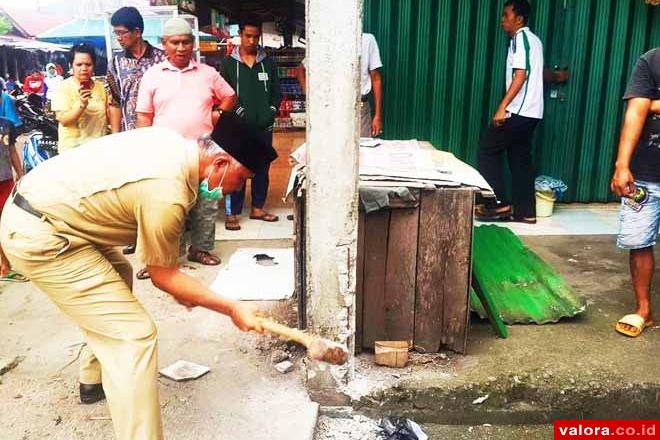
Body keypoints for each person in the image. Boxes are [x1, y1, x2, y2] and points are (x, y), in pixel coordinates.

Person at [0, 119, 275, 440]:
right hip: (43, 234)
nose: (235, 188)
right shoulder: (168, 192)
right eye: (241, 178)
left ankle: (93, 377)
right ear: (220, 163)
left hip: (47, 211)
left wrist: (190, 292)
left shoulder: (170, 141)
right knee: (133, 335)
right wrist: (232, 308)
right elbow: (164, 276)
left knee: (120, 273)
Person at [136, 17, 237, 277]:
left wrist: (218, 115)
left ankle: (200, 249)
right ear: (164, 44)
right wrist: (144, 150)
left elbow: (229, 96)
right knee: (166, 206)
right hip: (166, 154)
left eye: (186, 42)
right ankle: (163, 258)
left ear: (193, 44)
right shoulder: (152, 75)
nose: (181, 48)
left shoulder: (207, 73)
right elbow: (144, 116)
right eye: (175, 42)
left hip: (204, 153)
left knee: (206, 202)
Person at [476, 0, 544, 224]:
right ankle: (526, 212)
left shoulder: (520, 39)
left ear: (519, 19)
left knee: (487, 149)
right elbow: (535, 73)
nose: (502, 20)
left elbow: (521, 75)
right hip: (533, 113)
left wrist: (501, 107)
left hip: (519, 111)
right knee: (520, 159)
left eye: (506, 15)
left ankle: (498, 204)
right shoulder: (535, 41)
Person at [611, 47, 660, 338]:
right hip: (645, 172)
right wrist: (621, 165)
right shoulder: (652, 60)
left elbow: (645, 105)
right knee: (639, 240)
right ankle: (644, 309)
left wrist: (653, 104)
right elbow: (635, 110)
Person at [219, 15, 281, 231]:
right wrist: (238, 112)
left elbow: (276, 93)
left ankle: (257, 208)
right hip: (238, 126)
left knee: (261, 168)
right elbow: (224, 93)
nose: (252, 41)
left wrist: (270, 111)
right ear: (240, 35)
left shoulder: (269, 64)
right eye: (248, 36)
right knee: (236, 168)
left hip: (264, 126)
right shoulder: (228, 64)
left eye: (256, 37)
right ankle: (232, 213)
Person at [295, 32, 383, 138]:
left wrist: (377, 116)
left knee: (363, 147)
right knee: (335, 149)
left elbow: (376, 78)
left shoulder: (368, 40)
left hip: (360, 107)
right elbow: (300, 70)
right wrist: (308, 93)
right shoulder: (330, 41)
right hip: (335, 107)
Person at [107, 6, 166, 133]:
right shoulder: (115, 64)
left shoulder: (163, 59)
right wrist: (115, 137)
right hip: (130, 135)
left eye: (122, 32)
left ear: (137, 32)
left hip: (160, 132)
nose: (118, 37)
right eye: (116, 33)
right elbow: (115, 103)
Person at [52, 43, 110, 152]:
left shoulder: (100, 87)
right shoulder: (64, 87)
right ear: (71, 66)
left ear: (94, 65)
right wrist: (82, 104)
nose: (84, 68)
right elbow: (64, 120)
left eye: (88, 64)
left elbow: (107, 116)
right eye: (79, 64)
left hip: (98, 148)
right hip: (73, 150)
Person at [0, 96, 26, 283]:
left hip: (6, 180)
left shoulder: (6, 125)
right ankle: (5, 267)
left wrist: (20, 173)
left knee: (9, 220)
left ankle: (11, 262)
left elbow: (11, 151)